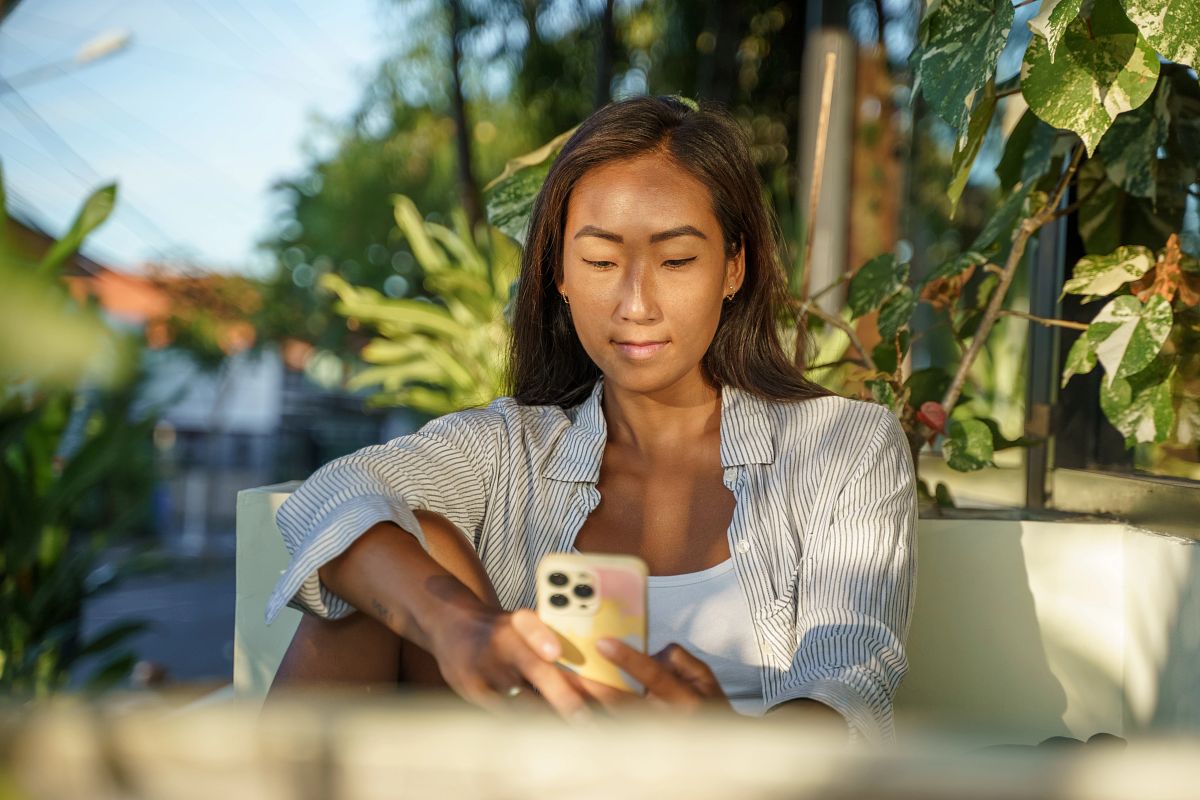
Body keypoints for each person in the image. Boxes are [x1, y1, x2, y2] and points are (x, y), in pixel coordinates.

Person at [264, 95, 917, 745]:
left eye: (677, 260)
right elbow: (333, 496)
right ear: (560, 275)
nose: (636, 304)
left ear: (733, 267)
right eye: (602, 262)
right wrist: (460, 627)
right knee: (390, 562)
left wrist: (724, 744)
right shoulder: (509, 448)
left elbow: (851, 690)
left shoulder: (847, 445)